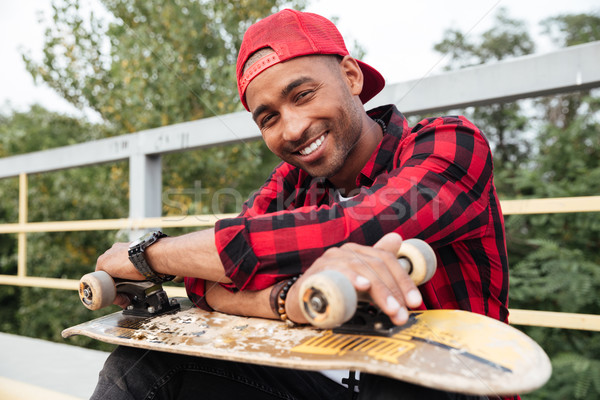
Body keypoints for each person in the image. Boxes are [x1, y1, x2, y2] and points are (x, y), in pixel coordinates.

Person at [92, 9, 514, 400]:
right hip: (329, 382)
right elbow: (204, 283)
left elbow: (355, 226)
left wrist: (151, 256)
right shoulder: (293, 182)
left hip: (444, 383)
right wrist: (287, 300)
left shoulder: (450, 143)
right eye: (269, 118)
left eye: (304, 94)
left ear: (350, 77)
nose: (292, 129)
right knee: (146, 366)